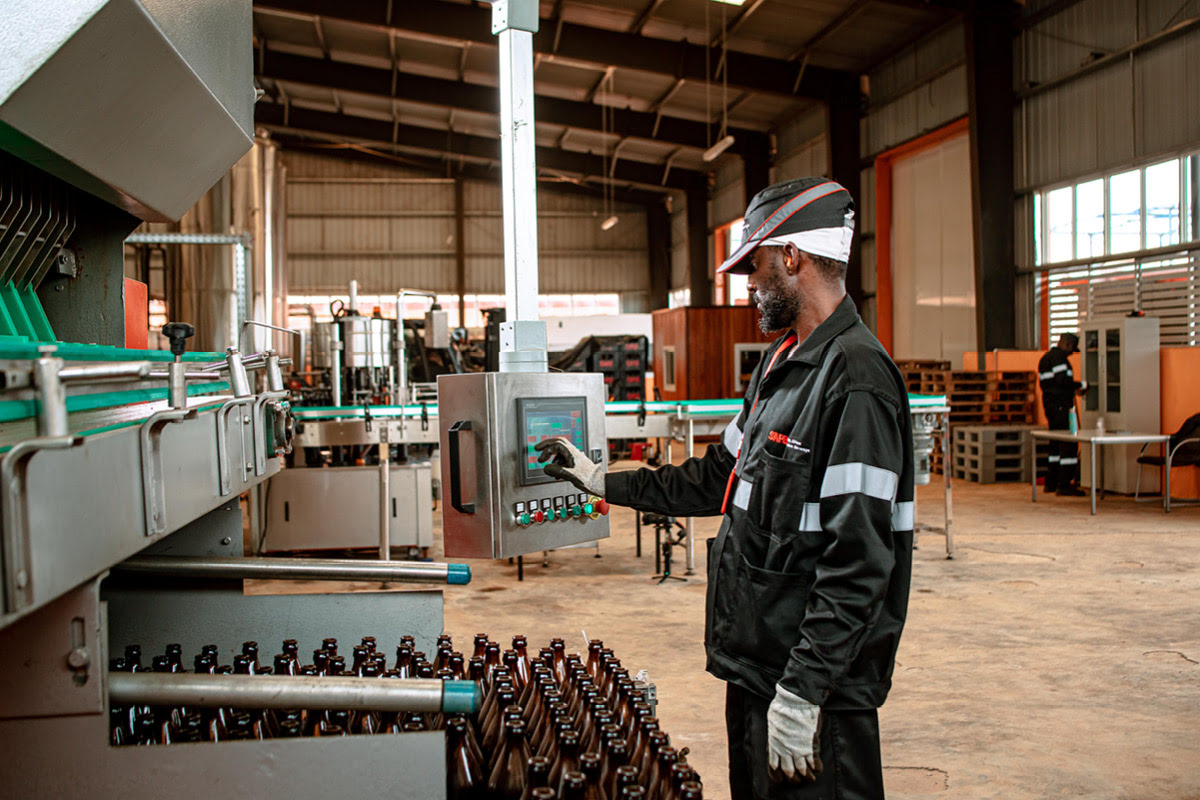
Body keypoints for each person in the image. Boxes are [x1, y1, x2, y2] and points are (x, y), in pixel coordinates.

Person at [537, 177, 914, 800]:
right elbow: (716, 479)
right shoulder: (781, 367)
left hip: (814, 692)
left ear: (791, 256)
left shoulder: (857, 380)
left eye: (756, 265)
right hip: (757, 668)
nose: (749, 285)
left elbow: (861, 561)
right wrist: (600, 479)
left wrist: (803, 692)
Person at [1038, 333, 1085, 497]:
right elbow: (1062, 381)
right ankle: (1064, 484)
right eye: (1072, 348)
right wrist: (1080, 385)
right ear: (1067, 344)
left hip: (1050, 407)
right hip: (1060, 407)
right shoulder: (1058, 359)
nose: (1072, 353)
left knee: (1055, 445)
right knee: (1068, 444)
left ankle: (1051, 482)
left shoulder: (1046, 358)